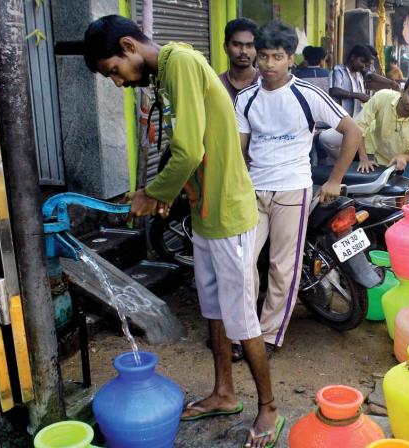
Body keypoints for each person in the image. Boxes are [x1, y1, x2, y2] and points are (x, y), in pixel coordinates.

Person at [82, 15, 282, 447]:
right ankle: (225, 393)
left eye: (114, 71)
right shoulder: (167, 76)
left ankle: (268, 409)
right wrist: (167, 194)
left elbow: (190, 149)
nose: (117, 83)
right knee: (214, 309)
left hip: (229, 214)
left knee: (242, 317)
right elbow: (189, 144)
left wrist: (152, 192)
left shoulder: (181, 63)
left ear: (129, 46)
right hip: (205, 212)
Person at [236, 21, 362, 357]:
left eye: (277, 56)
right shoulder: (246, 98)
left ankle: (267, 337)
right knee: (243, 264)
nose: (269, 64)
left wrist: (334, 180)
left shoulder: (308, 95)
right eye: (263, 56)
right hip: (253, 190)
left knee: (282, 267)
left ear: (291, 58)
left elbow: (353, 131)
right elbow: (239, 149)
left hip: (293, 189)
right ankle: (243, 334)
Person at [321, 73, 409, 173]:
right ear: (402, 92)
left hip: (384, 163)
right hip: (363, 141)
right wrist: (363, 158)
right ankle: (344, 166)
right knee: (326, 137)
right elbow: (359, 127)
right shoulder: (383, 96)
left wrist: (403, 157)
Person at [219, 18, 260, 100]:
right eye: (237, 44)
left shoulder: (267, 83)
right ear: (226, 47)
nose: (243, 51)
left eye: (249, 45)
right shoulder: (217, 84)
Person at [329, 44, 372, 117]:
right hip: (339, 119)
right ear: (353, 57)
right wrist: (357, 95)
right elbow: (334, 91)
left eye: (365, 63)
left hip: (355, 120)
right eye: (362, 61)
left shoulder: (359, 76)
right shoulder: (338, 71)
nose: (363, 66)